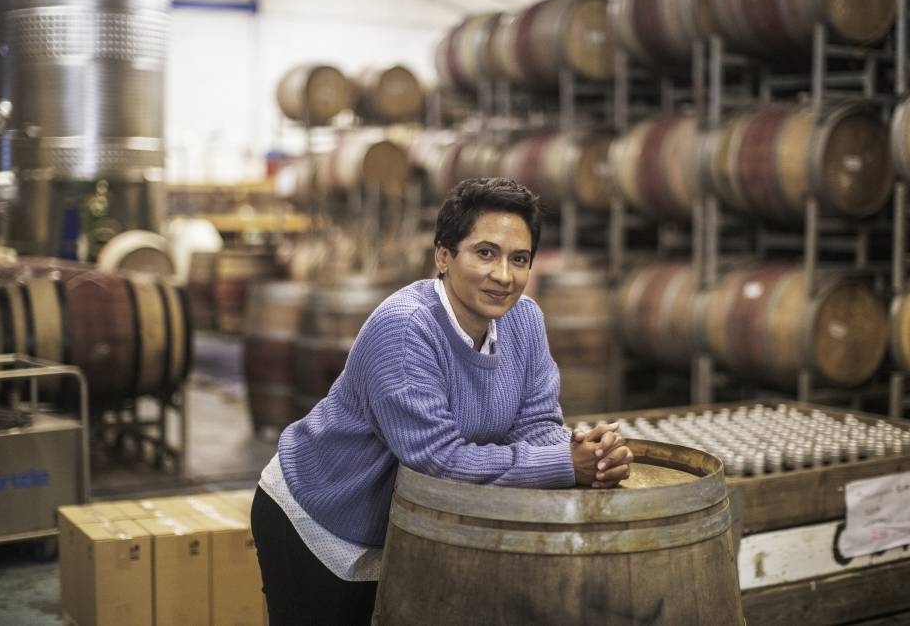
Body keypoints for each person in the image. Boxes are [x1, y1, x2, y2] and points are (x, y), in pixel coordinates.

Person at [251, 177, 635, 625]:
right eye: (485, 253)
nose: (503, 276)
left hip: (404, 524)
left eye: (519, 259)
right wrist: (564, 465)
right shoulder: (405, 328)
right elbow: (437, 459)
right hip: (318, 516)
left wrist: (585, 453)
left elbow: (538, 420)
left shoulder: (525, 319)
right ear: (443, 257)